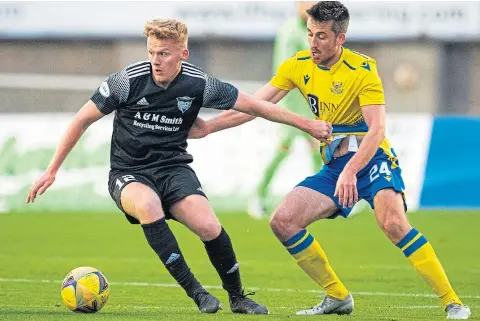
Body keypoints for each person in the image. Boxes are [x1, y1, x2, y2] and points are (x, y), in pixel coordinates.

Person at [26, 19, 332, 315]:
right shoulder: (126, 81)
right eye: (151, 53)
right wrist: (52, 170)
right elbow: (81, 119)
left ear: (182, 54)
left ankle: (239, 298)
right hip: (129, 173)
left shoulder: (199, 84)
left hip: (173, 169)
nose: (155, 61)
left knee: (210, 227)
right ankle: (197, 292)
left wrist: (307, 124)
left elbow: (256, 106)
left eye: (163, 54)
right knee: (148, 205)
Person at [188, 2, 471, 319]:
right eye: (309, 33)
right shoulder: (297, 65)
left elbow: (377, 130)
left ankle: (453, 302)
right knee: (282, 221)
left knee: (392, 223)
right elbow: (254, 105)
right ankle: (337, 296)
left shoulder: (362, 70)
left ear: (341, 39)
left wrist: (352, 170)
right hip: (336, 164)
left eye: (321, 36)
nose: (312, 42)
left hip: (372, 158)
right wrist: (210, 127)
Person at [247, 1, 322, 220]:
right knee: (284, 148)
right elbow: (287, 70)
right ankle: (258, 196)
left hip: (310, 101)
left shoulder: (315, 30)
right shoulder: (290, 31)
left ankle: (326, 197)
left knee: (318, 148)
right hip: (291, 102)